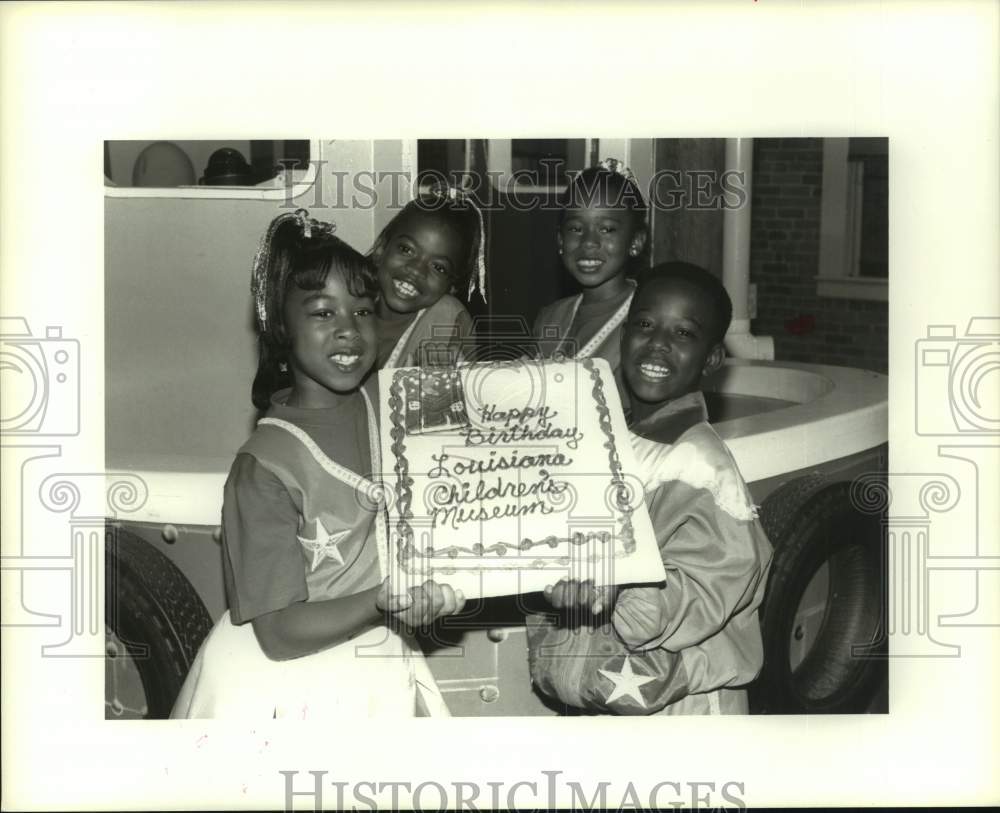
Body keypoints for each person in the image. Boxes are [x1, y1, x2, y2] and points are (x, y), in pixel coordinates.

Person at [171, 210, 465, 719]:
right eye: (323, 313)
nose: (348, 330)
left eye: (363, 311)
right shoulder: (264, 467)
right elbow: (279, 633)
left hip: (379, 658)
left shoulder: (393, 404)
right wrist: (385, 600)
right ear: (282, 327)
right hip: (283, 691)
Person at [527, 262, 773, 715]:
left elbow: (703, 590)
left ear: (712, 358)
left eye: (683, 334)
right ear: (623, 333)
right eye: (644, 324)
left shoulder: (702, 468)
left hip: (686, 714)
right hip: (610, 698)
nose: (657, 343)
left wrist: (614, 585)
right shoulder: (608, 438)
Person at [533, 159, 648, 402]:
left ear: (636, 241)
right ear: (560, 241)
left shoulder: (646, 321)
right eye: (575, 228)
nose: (588, 242)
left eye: (606, 229)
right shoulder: (549, 318)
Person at [369, 185, 485, 369]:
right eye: (407, 250)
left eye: (438, 267)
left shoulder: (448, 322)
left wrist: (445, 380)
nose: (416, 270)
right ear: (381, 249)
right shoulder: (344, 302)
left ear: (452, 286)